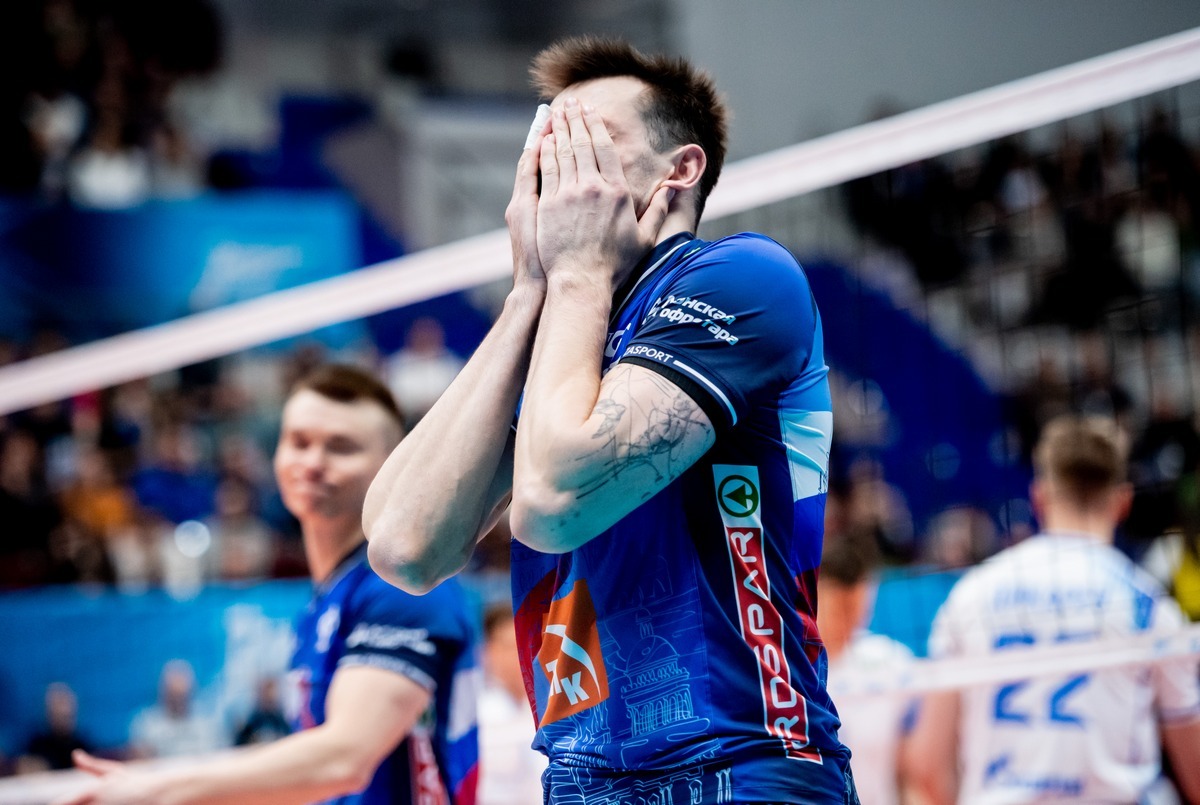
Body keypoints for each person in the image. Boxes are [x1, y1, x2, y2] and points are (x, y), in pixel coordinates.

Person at [364, 37, 855, 804]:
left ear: (679, 170)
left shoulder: (743, 275)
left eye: (588, 145)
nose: (557, 175)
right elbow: (404, 546)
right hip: (580, 780)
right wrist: (528, 293)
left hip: (742, 763)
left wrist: (580, 272)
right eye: (546, 152)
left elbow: (553, 504)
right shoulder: (565, 334)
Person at [58, 365, 479, 805]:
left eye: (341, 447)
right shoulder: (329, 598)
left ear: (393, 466)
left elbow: (344, 760)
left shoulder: (403, 585)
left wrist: (157, 791)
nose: (312, 463)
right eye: (299, 442)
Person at [909, 415, 1200, 804]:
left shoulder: (970, 594)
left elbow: (927, 766)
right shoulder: (1147, 605)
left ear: (1039, 497)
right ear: (1123, 502)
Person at [816, 532, 917, 805]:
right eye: (840, 609)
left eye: (858, 608)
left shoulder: (892, 661)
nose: (850, 620)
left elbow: (912, 773)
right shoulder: (787, 670)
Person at [476, 604, 546, 805]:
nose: (520, 656)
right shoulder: (480, 716)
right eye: (510, 647)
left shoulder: (547, 709)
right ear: (488, 652)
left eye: (527, 645)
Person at [128, 660, 226, 760]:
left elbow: (221, 756)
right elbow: (142, 762)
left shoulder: (208, 722)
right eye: (174, 697)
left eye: (182, 696)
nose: (178, 701)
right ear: (163, 692)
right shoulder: (147, 725)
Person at [17, 683, 94, 773]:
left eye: (67, 715)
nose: (63, 710)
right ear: (48, 712)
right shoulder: (37, 746)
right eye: (59, 704)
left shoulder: (82, 745)